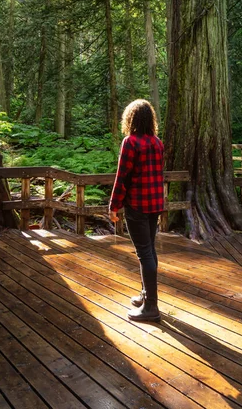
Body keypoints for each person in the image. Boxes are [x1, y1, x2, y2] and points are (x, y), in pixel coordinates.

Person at [108, 99, 164, 323]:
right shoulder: (157, 142)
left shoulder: (130, 142)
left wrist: (114, 206)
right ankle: (145, 295)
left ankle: (151, 306)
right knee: (149, 250)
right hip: (155, 205)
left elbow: (122, 177)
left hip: (138, 206)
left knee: (144, 253)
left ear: (131, 119)